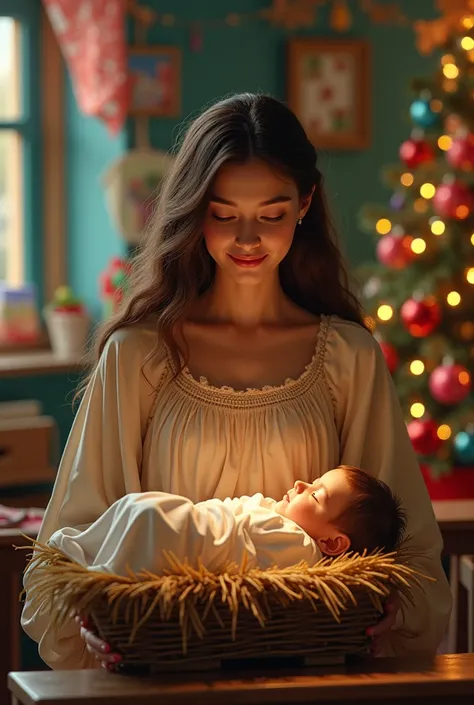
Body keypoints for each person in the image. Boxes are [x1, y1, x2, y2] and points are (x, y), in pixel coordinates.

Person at [21, 93, 451, 670]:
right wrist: (86, 618)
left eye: (271, 215)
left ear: (305, 205)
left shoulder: (348, 357)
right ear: (195, 211)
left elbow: (408, 545)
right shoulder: (139, 355)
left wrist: (391, 615)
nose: (247, 238)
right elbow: (70, 541)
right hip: (162, 671)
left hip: (308, 670)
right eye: (224, 215)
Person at [41, 466, 407, 582]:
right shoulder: (281, 516)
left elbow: (244, 558)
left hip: (199, 540)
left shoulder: (301, 549)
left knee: (148, 519)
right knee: (137, 507)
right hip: (199, 521)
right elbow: (240, 508)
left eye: (315, 496)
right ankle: (84, 547)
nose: (300, 485)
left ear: (332, 543)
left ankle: (101, 570)